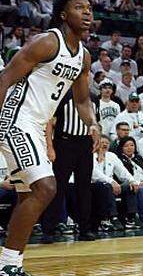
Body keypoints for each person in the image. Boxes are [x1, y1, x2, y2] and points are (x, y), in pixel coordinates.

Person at [0, 0, 98, 276]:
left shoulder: (84, 57)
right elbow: (3, 80)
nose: (87, 13)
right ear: (64, 14)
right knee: (45, 188)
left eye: (90, 8)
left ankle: (12, 266)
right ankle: (3, 271)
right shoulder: (47, 42)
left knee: (27, 196)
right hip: (15, 120)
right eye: (80, 7)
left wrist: (92, 123)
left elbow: (80, 99)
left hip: (36, 126)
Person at [43, 90, 101, 242]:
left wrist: (97, 139)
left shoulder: (94, 97)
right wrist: (50, 146)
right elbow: (49, 121)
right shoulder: (62, 95)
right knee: (58, 188)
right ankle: (49, 230)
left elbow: (96, 123)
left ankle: (85, 229)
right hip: (64, 143)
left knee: (84, 188)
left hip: (85, 144)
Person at [92, 135, 132, 231]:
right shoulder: (91, 155)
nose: (105, 144)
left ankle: (131, 217)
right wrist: (111, 181)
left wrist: (132, 180)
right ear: (96, 144)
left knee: (129, 185)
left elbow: (122, 171)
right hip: (95, 185)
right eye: (102, 142)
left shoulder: (112, 156)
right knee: (106, 187)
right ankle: (113, 217)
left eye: (107, 143)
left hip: (112, 186)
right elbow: (94, 174)